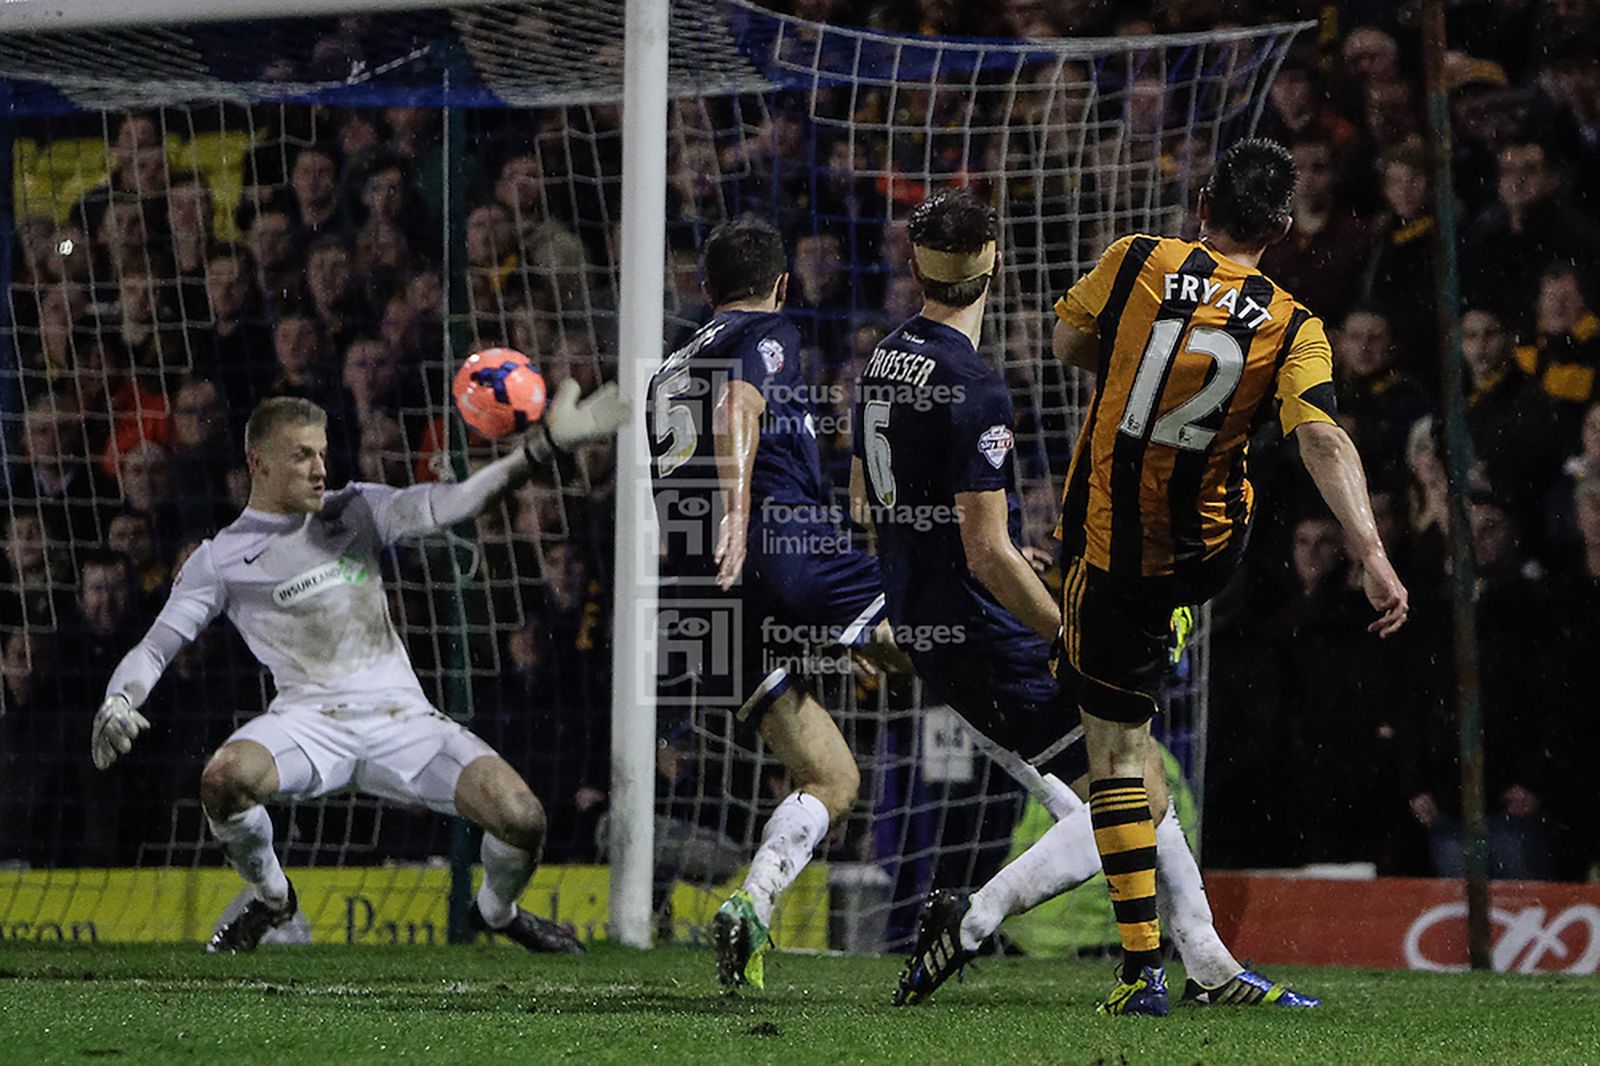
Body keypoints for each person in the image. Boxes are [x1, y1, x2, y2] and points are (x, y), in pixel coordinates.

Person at [856, 190, 1313, 1016]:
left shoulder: (884, 358)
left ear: (915, 263)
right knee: (1132, 789)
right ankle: (972, 919)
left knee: (1126, 782)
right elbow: (988, 552)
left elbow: (869, 502)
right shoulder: (976, 386)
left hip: (932, 615)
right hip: (982, 627)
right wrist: (1060, 626)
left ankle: (1206, 963)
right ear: (996, 260)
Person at [1045, 139, 1408, 1013]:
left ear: (1202, 205)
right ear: (1281, 228)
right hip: (1210, 554)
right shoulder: (1294, 322)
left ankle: (1140, 973)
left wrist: (1140, 369)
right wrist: (1372, 551)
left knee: (1116, 758)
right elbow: (1321, 436)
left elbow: (1065, 344)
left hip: (1110, 553)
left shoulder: (1137, 258)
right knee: (1239, 463)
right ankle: (1194, 957)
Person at [89, 383, 629, 954]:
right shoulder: (219, 558)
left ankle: (497, 912)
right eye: (303, 455)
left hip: (403, 720)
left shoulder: (358, 508)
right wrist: (121, 699)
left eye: (322, 453)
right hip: (308, 722)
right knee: (224, 780)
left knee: (523, 820)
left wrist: (541, 446)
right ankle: (273, 899)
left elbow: (458, 501)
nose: (320, 468)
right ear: (259, 462)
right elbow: (156, 646)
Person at [645, 217, 889, 990]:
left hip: (697, 601)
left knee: (833, 780)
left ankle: (751, 904)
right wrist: (743, 516)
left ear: (704, 287)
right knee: (948, 630)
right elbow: (739, 410)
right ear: (779, 285)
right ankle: (1081, 799)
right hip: (772, 554)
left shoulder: (665, 369)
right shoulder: (769, 331)